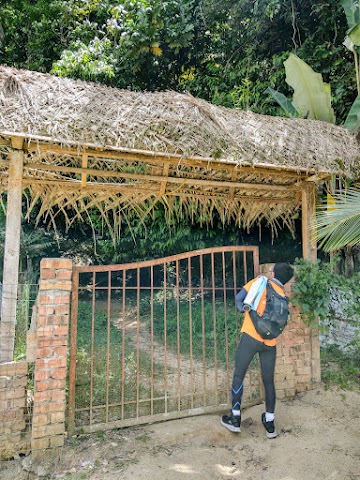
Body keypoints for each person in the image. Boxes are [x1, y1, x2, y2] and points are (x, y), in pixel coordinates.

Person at [221, 262, 294, 438]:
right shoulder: (283, 295)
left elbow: (239, 299)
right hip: (270, 343)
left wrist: (243, 310)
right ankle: (270, 424)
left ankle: (235, 419)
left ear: (272, 271)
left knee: (239, 374)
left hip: (251, 337)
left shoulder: (260, 282)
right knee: (268, 382)